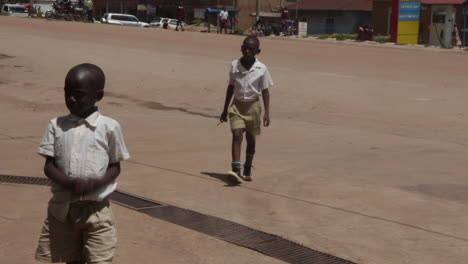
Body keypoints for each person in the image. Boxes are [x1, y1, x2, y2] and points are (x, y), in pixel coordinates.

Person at [35, 63, 130, 264]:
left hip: (97, 212)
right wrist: (69, 182)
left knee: (100, 259)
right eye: (67, 92)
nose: (71, 98)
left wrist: (97, 183)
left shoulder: (109, 127)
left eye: (78, 94)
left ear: (98, 96)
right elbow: (49, 166)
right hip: (62, 211)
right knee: (67, 258)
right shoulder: (56, 125)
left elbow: (115, 167)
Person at [220, 36, 273, 184]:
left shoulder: (261, 68)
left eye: (251, 49)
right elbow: (230, 87)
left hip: (253, 108)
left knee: (251, 139)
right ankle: (236, 169)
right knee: (237, 136)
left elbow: (265, 91)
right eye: (245, 47)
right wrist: (225, 110)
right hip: (237, 106)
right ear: (241, 48)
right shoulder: (234, 65)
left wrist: (267, 113)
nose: (247, 51)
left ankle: (248, 166)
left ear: (258, 51)